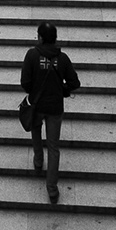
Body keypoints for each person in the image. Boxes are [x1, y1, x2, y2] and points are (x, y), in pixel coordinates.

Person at [20, 21, 81, 202]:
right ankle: (52, 189)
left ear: (40, 38)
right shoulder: (62, 58)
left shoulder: (32, 55)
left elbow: (25, 83)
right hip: (55, 108)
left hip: (37, 105)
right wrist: (62, 90)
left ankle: (38, 160)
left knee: (36, 131)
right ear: (54, 39)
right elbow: (74, 83)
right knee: (54, 147)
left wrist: (34, 90)